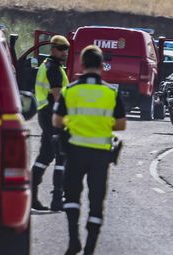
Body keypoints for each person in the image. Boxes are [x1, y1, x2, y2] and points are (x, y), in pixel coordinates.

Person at [54, 45, 126, 255]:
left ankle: (73, 241)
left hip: (74, 151)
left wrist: (75, 121)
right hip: (100, 155)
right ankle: (90, 249)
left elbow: (57, 121)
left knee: (72, 198)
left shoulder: (71, 90)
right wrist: (102, 124)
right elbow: (121, 125)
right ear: (102, 66)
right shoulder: (110, 92)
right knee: (96, 202)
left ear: (82, 64)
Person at [31, 34, 70, 211]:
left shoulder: (47, 65)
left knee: (45, 156)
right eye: (61, 49)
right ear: (53, 49)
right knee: (61, 156)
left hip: (45, 115)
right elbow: (57, 95)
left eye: (66, 49)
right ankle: (56, 199)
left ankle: (31, 196)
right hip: (53, 117)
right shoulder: (53, 68)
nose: (64, 52)